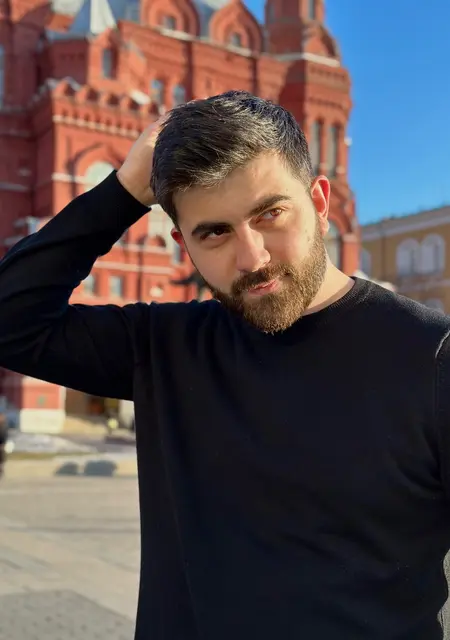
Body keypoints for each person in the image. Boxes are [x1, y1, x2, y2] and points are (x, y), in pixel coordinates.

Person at [0, 90, 449, 639]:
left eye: (271, 213)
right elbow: (11, 321)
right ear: (182, 244)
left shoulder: (432, 356)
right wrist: (123, 190)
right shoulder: (165, 347)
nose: (252, 257)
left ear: (320, 202)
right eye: (214, 232)